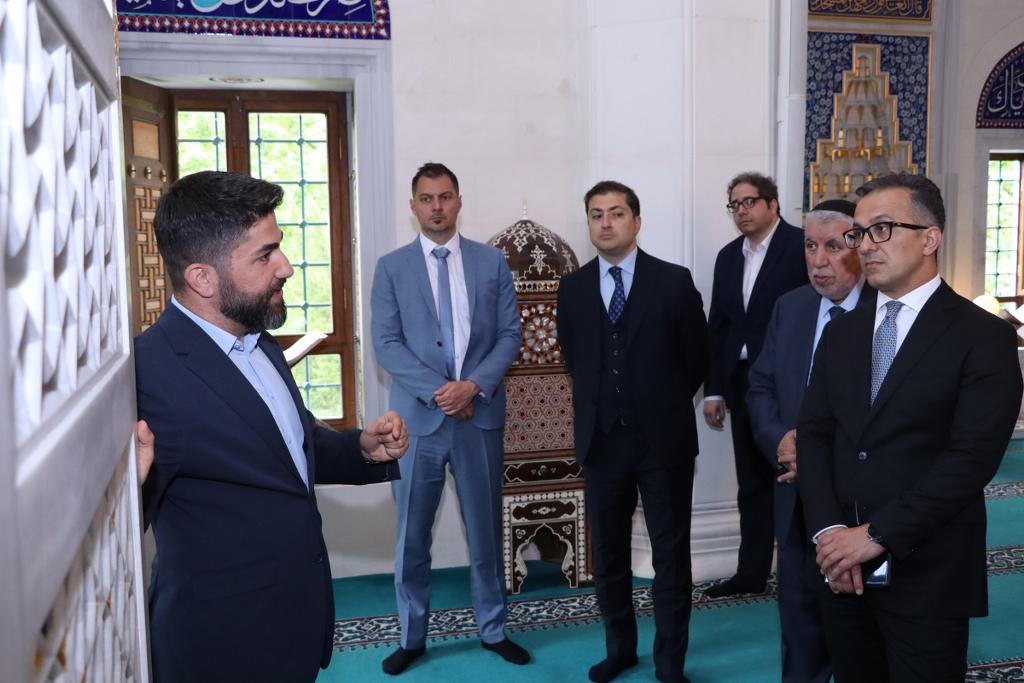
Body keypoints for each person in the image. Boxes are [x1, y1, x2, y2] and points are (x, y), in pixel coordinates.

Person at [134, 170, 410, 683]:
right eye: (265, 256)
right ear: (202, 278)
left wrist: (361, 450)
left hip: (294, 621)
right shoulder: (150, 373)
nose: (286, 266)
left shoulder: (259, 340)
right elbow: (113, 532)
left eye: (278, 247)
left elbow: (288, 449)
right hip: (222, 645)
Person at [797, 174, 1023, 682]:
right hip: (842, 573)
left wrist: (876, 535)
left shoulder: (982, 336)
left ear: (929, 238)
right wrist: (832, 536)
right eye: (859, 233)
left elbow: (971, 459)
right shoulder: (841, 332)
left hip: (929, 572)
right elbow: (814, 436)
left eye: (881, 229)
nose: (864, 246)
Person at [370, 163, 528, 674]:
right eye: (426, 198)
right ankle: (412, 636)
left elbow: (510, 336)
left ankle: (494, 629)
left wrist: (472, 386)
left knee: (485, 534)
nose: (436, 206)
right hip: (415, 425)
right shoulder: (391, 268)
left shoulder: (491, 261)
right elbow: (386, 343)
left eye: (444, 196)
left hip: (479, 418)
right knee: (412, 537)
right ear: (413, 206)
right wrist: (442, 393)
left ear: (459, 201)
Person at [557, 181, 710, 683]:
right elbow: (575, 358)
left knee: (670, 556)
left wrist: (659, 403)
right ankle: (620, 649)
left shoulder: (673, 281)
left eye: (616, 213)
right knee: (609, 556)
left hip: (663, 442)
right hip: (602, 442)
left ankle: (670, 662)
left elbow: (696, 358)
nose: (606, 223)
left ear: (636, 221)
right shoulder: (573, 288)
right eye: (596, 214)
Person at [747, 199, 868, 683]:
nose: (819, 261)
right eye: (810, 247)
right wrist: (781, 440)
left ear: (860, 247)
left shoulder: (886, 312)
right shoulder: (791, 307)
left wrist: (818, 456)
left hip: (860, 502)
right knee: (798, 617)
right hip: (796, 493)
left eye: (833, 247)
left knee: (859, 627)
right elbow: (760, 385)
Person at [703, 172, 810, 598]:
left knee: (797, 477)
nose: (742, 211)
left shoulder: (801, 246)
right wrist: (714, 389)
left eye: (749, 202)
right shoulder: (728, 257)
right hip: (744, 383)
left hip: (792, 382)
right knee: (751, 484)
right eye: (735, 204)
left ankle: (803, 573)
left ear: (772, 204)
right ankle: (750, 575)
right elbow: (718, 325)